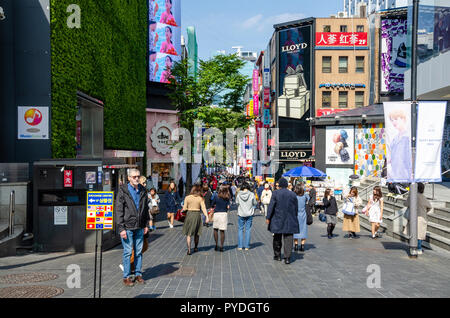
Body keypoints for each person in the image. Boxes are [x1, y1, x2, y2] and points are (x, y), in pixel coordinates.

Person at [116, 169, 150, 287]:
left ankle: (138, 274)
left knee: (139, 252)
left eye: (138, 176)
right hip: (128, 226)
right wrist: (121, 228)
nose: (136, 179)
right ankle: (126, 277)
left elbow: (145, 209)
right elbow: (119, 210)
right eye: (134, 177)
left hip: (140, 226)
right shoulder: (123, 190)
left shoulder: (143, 190)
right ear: (129, 178)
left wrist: (146, 224)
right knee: (127, 252)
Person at [266, 178, 299, 264]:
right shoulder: (292, 194)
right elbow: (296, 207)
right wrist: (294, 216)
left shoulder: (275, 193)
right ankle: (287, 257)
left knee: (277, 237)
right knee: (288, 238)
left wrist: (268, 217)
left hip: (277, 218)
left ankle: (277, 255)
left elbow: (271, 206)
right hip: (289, 219)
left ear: (279, 185)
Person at [403, 182, 432, 255]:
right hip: (421, 217)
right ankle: (419, 248)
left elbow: (405, 204)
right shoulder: (423, 197)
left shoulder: (412, 196)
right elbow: (429, 206)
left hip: (413, 217)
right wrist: (425, 211)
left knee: (413, 233)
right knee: (419, 234)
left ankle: (413, 248)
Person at [182, 184, 209, 255]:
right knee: (197, 233)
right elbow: (203, 208)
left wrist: (183, 210)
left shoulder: (187, 197)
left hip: (189, 215)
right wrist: (207, 217)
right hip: (197, 215)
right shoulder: (200, 198)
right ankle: (196, 247)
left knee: (188, 233)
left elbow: (184, 208)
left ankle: (189, 249)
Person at [235, 182, 257, 251]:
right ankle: (247, 246)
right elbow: (255, 203)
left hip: (241, 213)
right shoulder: (251, 194)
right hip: (249, 213)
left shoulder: (239, 194)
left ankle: (240, 246)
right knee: (248, 230)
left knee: (240, 229)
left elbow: (237, 202)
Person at [211, 185, 231, 252]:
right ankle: (221, 246)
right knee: (222, 231)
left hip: (216, 214)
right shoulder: (227, 198)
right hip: (223, 214)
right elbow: (228, 207)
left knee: (215, 230)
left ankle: (216, 244)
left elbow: (212, 204)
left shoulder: (216, 197)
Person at [293, 185, 309, 252]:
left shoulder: (294, 196)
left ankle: (296, 245)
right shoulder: (305, 196)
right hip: (303, 214)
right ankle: (302, 245)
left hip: (296, 214)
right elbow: (309, 199)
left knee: (295, 230)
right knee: (303, 229)